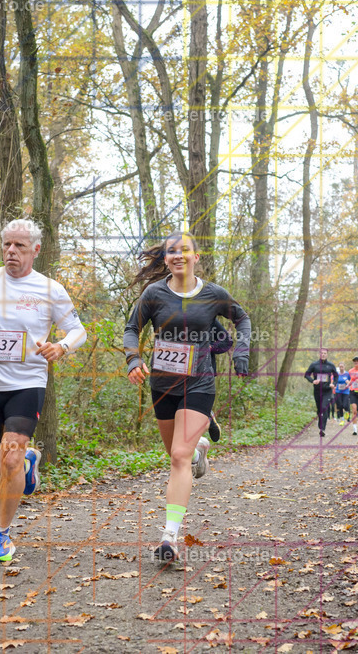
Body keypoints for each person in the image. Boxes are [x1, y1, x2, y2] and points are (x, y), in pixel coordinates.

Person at [0, 218, 87, 563]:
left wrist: (62, 347)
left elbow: (78, 330)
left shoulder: (50, 289)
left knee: (10, 458)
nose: (11, 251)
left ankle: (1, 536)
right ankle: (28, 462)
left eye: (20, 246)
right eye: (7, 244)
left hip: (27, 384)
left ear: (36, 250)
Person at [124, 232, 251, 564]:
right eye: (171, 251)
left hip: (199, 383)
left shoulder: (213, 294)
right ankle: (199, 449)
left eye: (185, 250)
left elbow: (242, 319)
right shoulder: (154, 294)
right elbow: (132, 328)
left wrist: (241, 351)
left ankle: (169, 537)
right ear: (165, 259)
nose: (178, 255)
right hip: (163, 385)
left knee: (178, 458)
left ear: (196, 257)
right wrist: (133, 359)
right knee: (176, 453)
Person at [304, 349, 338, 437]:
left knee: (324, 407)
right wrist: (312, 381)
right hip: (317, 390)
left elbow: (336, 376)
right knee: (320, 409)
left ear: (327, 355)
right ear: (319, 354)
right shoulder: (314, 364)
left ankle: (322, 429)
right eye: (322, 353)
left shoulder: (331, 365)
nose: (323, 355)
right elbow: (306, 375)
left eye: (325, 353)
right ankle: (320, 423)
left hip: (327, 390)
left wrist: (333, 384)